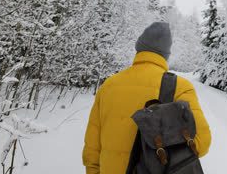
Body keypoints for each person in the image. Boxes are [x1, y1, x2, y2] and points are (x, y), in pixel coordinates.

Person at [82, 22, 211, 174]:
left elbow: (92, 150)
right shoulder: (179, 87)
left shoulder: (108, 86)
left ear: (139, 48)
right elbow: (201, 144)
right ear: (166, 54)